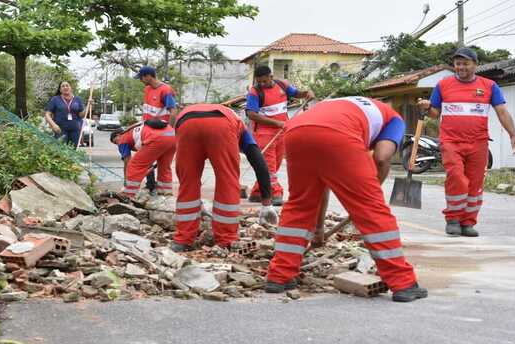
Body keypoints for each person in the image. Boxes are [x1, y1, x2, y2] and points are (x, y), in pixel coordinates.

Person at [265, 96, 427, 303]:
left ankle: (279, 276)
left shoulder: (343, 105)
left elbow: (319, 188)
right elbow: (382, 157)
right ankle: (403, 283)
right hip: (337, 135)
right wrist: (369, 196)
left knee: (299, 204)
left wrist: (319, 229)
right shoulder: (394, 119)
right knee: (373, 211)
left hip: (295, 132)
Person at [418, 47, 515, 237]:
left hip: (478, 142)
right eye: (457, 64)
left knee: (475, 183)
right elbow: (435, 113)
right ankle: (453, 219)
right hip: (451, 141)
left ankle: (468, 222)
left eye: (465, 63)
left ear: (475, 65)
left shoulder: (489, 86)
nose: (461, 67)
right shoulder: (443, 85)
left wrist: (513, 134)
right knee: (456, 177)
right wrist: (426, 108)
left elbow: (502, 112)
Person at [170, 104, 278, 252]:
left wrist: (196, 205)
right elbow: (259, 161)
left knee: (188, 181)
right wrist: (267, 203)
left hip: (185, 122)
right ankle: (226, 240)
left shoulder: (233, 119)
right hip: (222, 124)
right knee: (227, 180)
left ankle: (182, 240)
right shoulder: (240, 126)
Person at [245, 65, 315, 206]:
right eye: (259, 82)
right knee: (269, 166)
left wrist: (307, 93)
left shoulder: (282, 85)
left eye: (264, 81)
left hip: (282, 131)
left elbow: (296, 93)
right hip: (264, 133)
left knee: (275, 165)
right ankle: (274, 193)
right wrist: (277, 123)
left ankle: (258, 191)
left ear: (271, 77)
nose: (262, 84)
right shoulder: (254, 92)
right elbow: (251, 114)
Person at [136, 66, 178, 193]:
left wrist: (170, 130)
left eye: (141, 78)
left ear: (148, 76)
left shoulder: (165, 90)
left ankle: (164, 191)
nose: (140, 80)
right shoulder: (147, 89)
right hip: (148, 129)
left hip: (161, 131)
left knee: (164, 163)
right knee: (147, 159)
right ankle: (150, 185)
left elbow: (173, 111)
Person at [110, 119, 176, 197]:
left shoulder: (122, 139)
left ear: (118, 135)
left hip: (156, 138)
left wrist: (126, 181)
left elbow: (127, 162)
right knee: (164, 167)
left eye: (115, 142)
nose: (117, 144)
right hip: (172, 135)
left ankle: (128, 195)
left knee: (134, 165)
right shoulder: (133, 129)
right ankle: (165, 193)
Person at [44, 81, 92, 147]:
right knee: (61, 151)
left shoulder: (78, 99)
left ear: (70, 88)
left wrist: (88, 106)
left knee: (73, 151)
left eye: (67, 85)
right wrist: (53, 125)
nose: (65, 87)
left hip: (75, 130)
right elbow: (47, 114)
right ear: (60, 90)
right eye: (63, 86)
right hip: (60, 130)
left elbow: (81, 115)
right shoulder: (55, 99)